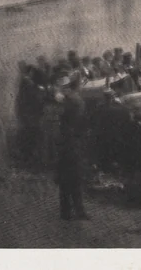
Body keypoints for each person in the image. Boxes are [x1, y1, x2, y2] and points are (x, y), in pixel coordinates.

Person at [55, 90, 89, 220]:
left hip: (69, 160)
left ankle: (69, 212)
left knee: (69, 188)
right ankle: (74, 212)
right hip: (70, 160)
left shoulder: (66, 126)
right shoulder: (70, 128)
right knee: (72, 187)